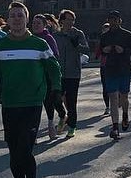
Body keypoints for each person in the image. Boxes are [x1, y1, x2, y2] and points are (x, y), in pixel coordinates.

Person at [0, 1, 62, 178]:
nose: (17, 19)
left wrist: (56, 89)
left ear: (27, 18)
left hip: (32, 103)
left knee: (26, 149)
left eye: (20, 15)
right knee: (15, 153)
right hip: (9, 103)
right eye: (13, 15)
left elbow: (54, 68)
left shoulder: (38, 44)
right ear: (8, 20)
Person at [98, 10, 131, 140]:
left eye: (115, 19)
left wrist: (124, 50)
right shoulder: (104, 36)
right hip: (110, 70)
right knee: (113, 98)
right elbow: (99, 51)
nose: (113, 22)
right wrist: (104, 50)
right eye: (111, 19)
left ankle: (125, 114)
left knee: (123, 97)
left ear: (120, 20)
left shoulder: (127, 34)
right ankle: (115, 127)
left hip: (124, 69)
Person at [53, 9, 89, 137]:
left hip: (73, 73)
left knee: (71, 101)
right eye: (68, 19)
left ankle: (72, 126)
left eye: (72, 20)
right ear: (62, 20)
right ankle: (63, 116)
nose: (70, 22)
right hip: (59, 73)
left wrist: (77, 45)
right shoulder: (56, 35)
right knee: (56, 98)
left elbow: (87, 49)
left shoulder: (78, 34)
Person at [31, 14, 63, 141]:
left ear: (45, 25)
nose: (35, 25)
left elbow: (55, 56)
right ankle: (33, 132)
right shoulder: (30, 38)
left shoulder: (48, 38)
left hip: (47, 76)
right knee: (35, 105)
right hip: (33, 77)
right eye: (34, 23)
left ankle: (52, 124)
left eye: (38, 23)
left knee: (49, 102)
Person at [95, 21, 111, 115]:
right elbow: (98, 53)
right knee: (105, 87)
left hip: (114, 65)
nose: (106, 32)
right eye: (104, 30)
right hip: (104, 65)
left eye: (108, 30)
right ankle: (107, 107)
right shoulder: (101, 41)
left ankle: (116, 100)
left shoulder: (115, 39)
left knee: (114, 86)